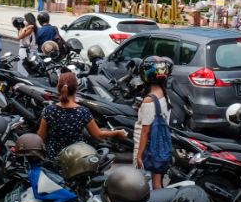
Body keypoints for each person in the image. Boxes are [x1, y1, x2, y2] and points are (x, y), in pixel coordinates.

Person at [37, 71, 128, 159]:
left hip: (54, 157)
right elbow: (98, 135)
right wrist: (117, 132)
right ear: (76, 88)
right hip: (77, 158)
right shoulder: (83, 111)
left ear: (58, 87)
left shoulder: (49, 110)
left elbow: (41, 137)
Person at [134, 56, 173, 189]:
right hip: (160, 147)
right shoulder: (165, 94)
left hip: (148, 149)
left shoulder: (149, 100)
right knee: (157, 183)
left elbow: (145, 132)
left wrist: (139, 155)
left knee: (142, 185)